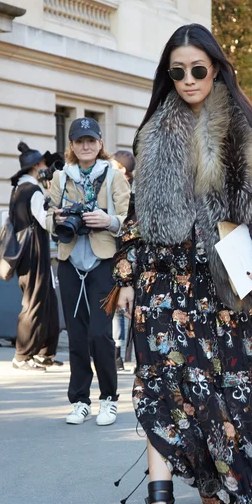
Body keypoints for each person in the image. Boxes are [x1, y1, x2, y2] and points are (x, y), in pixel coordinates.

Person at [112, 24, 252, 504]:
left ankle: (231, 496)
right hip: (164, 289)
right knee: (161, 389)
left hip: (224, 291)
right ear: (167, 75)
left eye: (198, 69)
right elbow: (135, 220)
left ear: (215, 68)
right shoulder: (152, 133)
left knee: (232, 402)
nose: (189, 79)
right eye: (178, 71)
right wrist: (125, 279)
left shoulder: (242, 131)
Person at [46, 118, 130, 425]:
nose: (85, 146)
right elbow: (46, 218)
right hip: (69, 262)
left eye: (91, 140)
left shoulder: (113, 176)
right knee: (77, 335)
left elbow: (127, 219)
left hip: (102, 262)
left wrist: (107, 221)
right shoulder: (60, 177)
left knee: (99, 334)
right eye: (79, 141)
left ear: (99, 144)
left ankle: (108, 398)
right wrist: (55, 219)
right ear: (71, 145)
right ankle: (80, 400)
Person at [9, 142, 61, 371]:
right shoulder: (32, 190)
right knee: (34, 302)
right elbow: (46, 221)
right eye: (42, 164)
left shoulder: (19, 189)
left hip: (27, 252)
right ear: (34, 167)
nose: (45, 167)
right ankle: (22, 356)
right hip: (34, 251)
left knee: (46, 300)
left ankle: (44, 353)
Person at [111, 151, 136, 371]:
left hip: (123, 257)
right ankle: (120, 356)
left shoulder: (127, 191)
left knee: (120, 311)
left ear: (122, 169)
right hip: (126, 258)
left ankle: (117, 355)